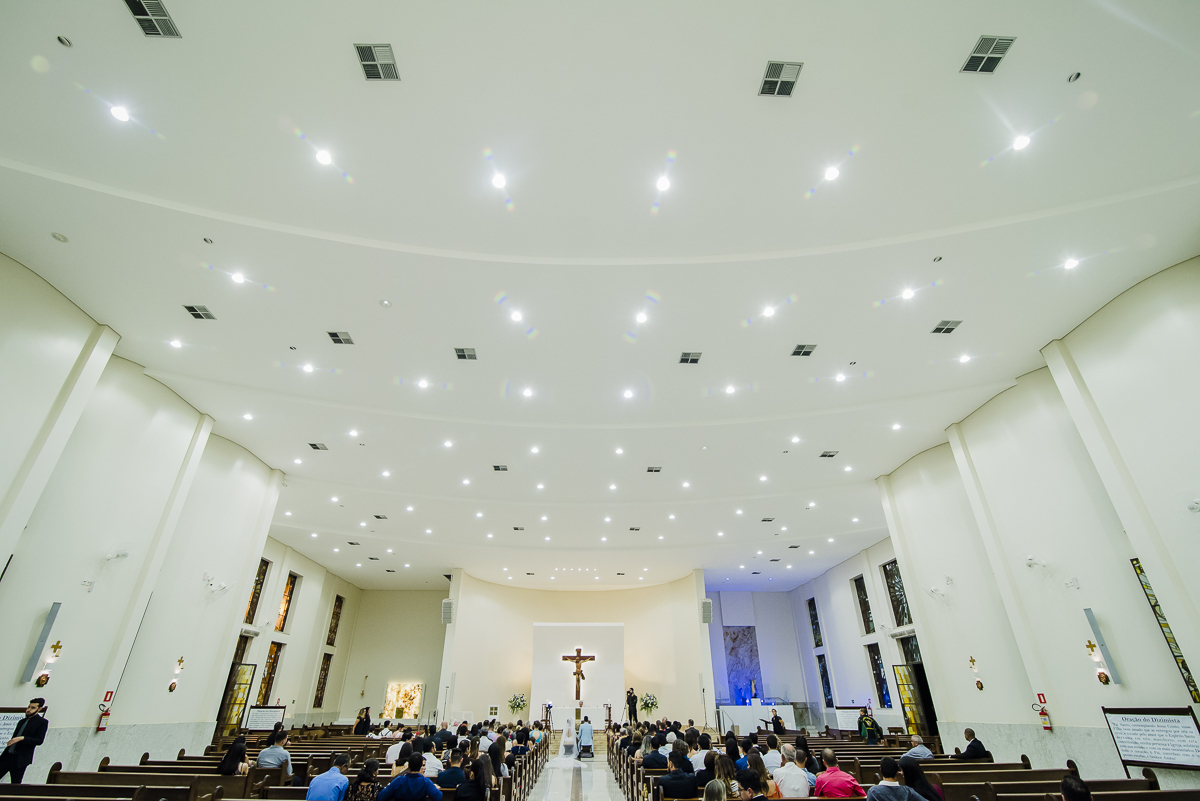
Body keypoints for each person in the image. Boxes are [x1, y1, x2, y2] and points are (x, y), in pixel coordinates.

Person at [0, 698, 48, 784]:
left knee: (15, 783)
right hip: (7, 756)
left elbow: (39, 740)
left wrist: (22, 738)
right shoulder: (22, 721)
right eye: (28, 707)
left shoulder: (42, 722)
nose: (29, 710)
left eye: (33, 708)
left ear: (39, 709)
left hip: (20, 758)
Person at [378, 754, 442, 801]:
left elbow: (381, 797)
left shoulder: (398, 780)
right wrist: (434, 788)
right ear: (420, 766)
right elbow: (439, 797)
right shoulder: (425, 782)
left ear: (408, 765)